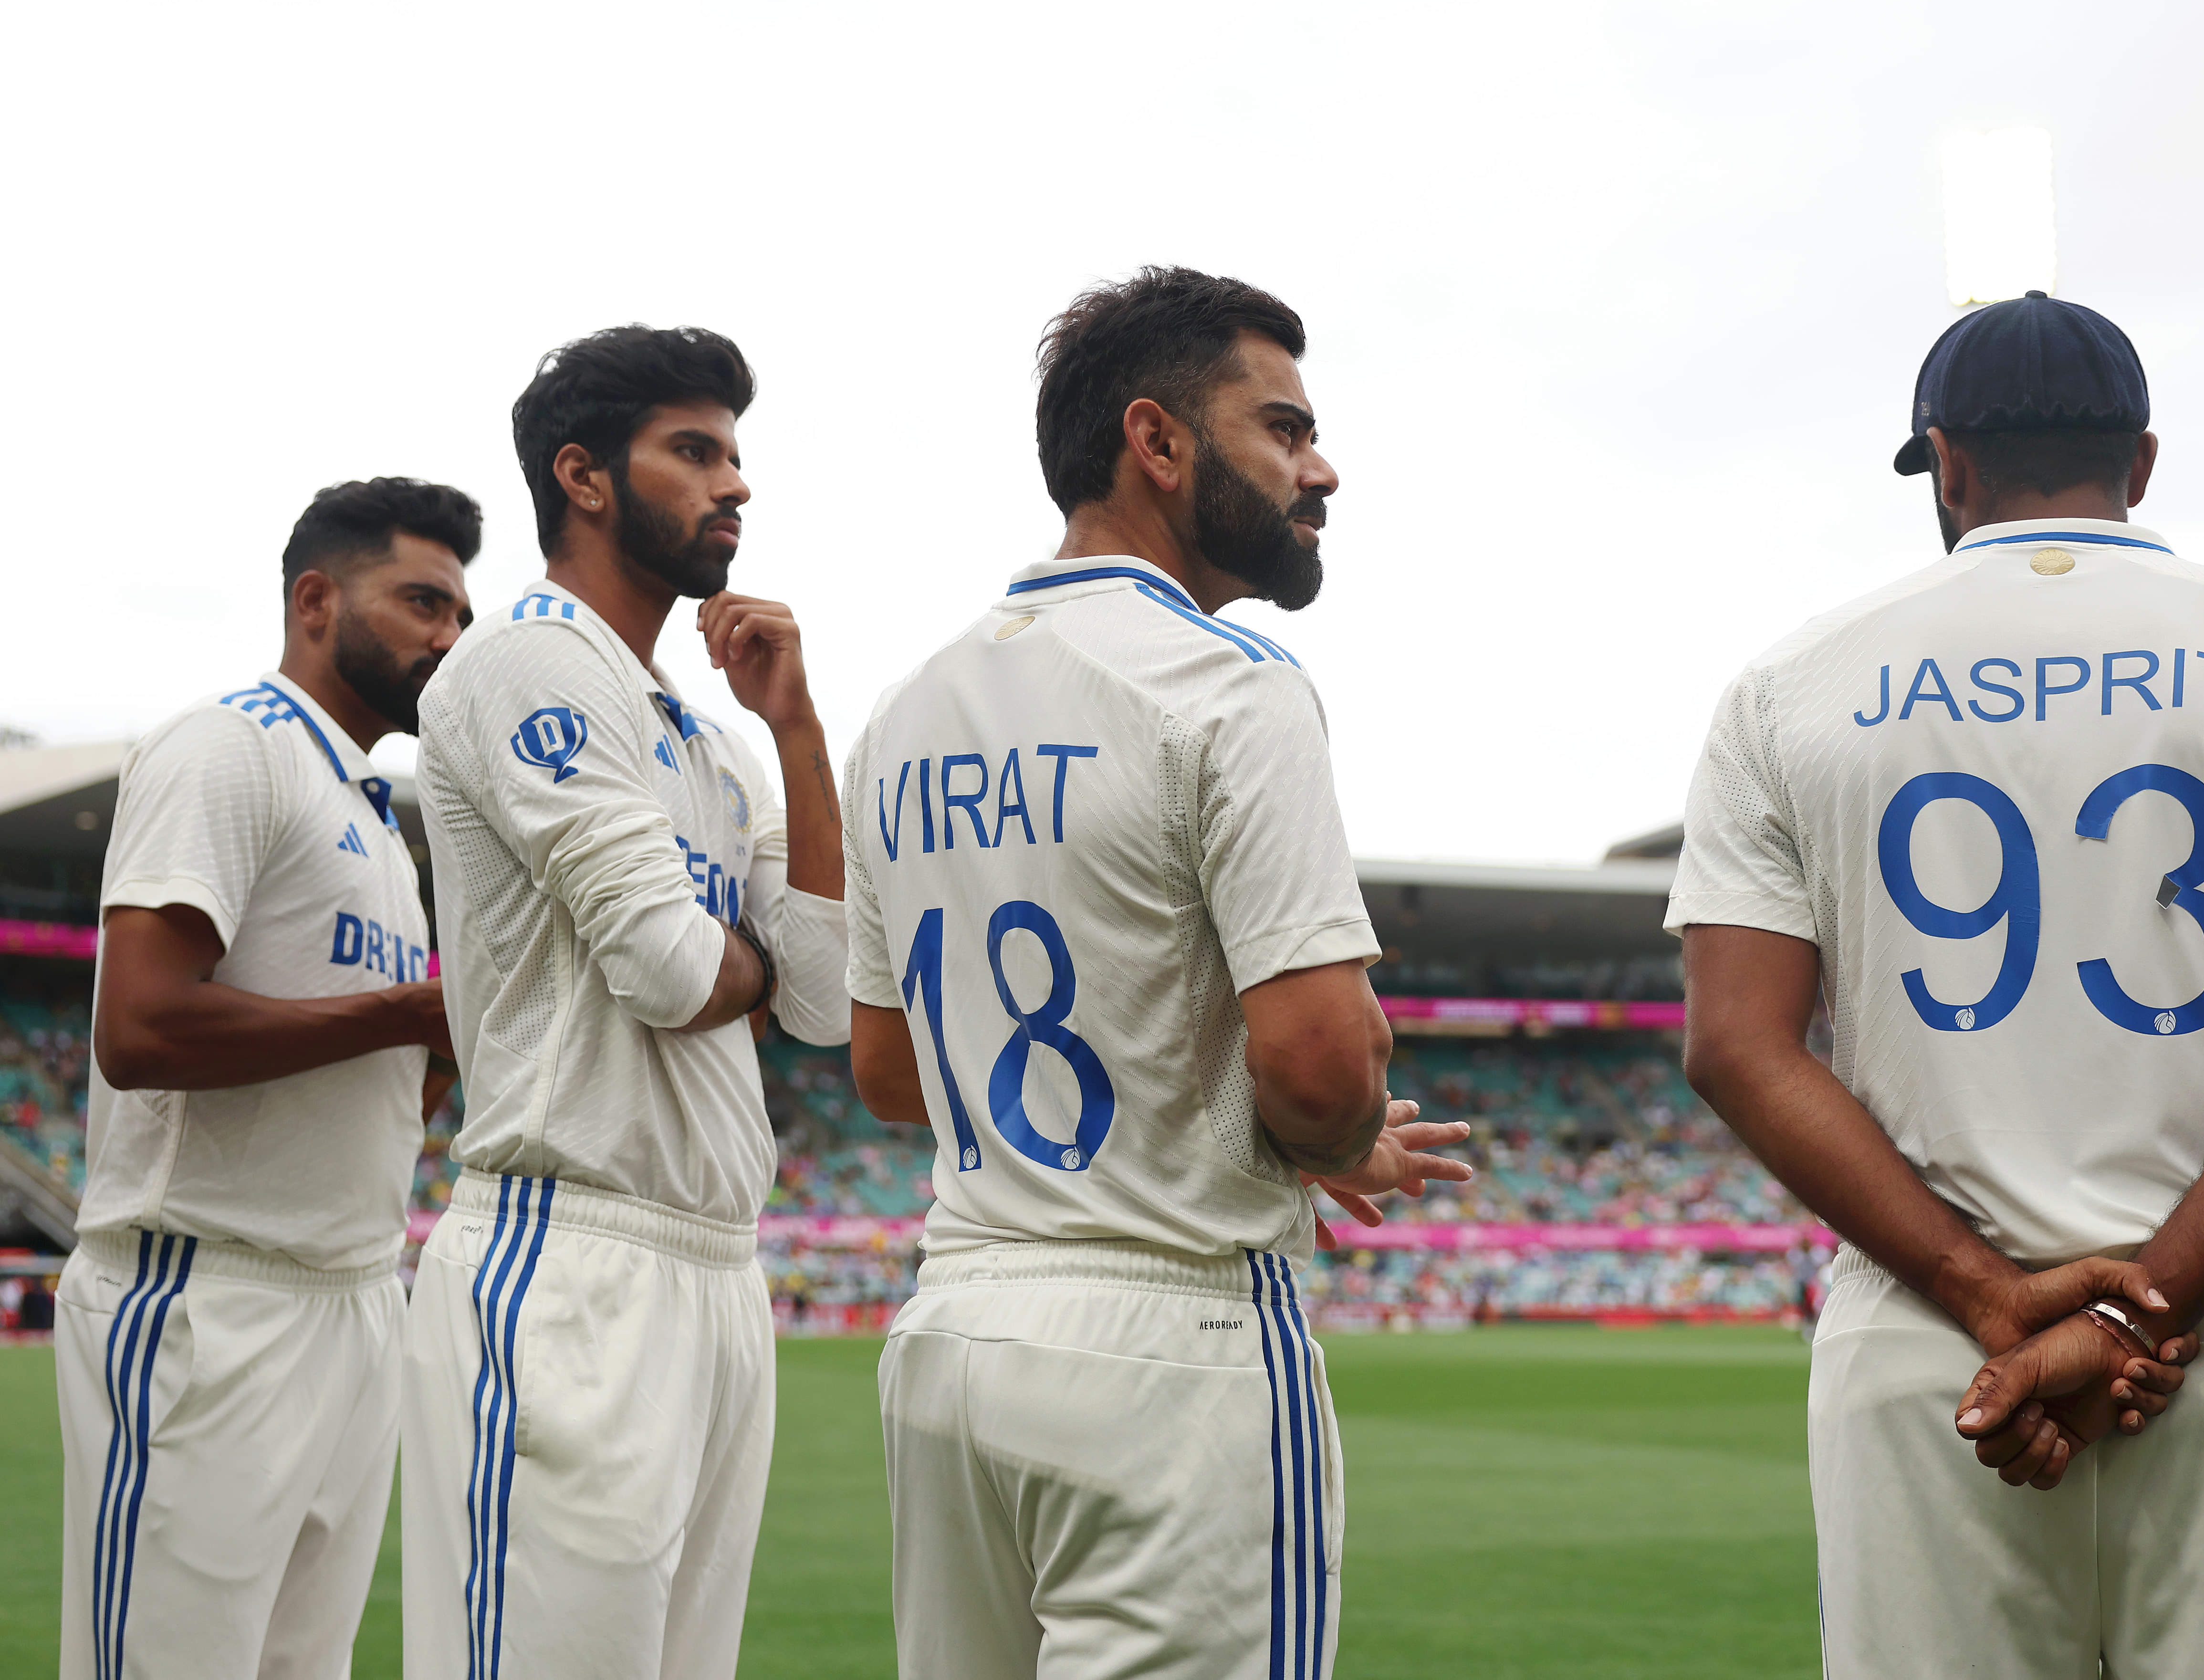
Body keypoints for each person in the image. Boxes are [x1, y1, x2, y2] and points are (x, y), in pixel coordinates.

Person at [1671, 290, 2204, 1677]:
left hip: (1930, 1334)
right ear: (2141, 462)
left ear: (1948, 464)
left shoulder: (1788, 687)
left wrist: (1993, 1301)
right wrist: (2139, 1308)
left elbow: (1738, 1043)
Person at [846, 266, 1470, 1680]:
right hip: (1168, 1335)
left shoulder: (907, 706)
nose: (1321, 469)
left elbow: (890, 1076)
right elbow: (1316, 1062)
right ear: (1158, 440)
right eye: (1284, 427)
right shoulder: (1225, 684)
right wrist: (1341, 1136)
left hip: (953, 1327)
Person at [405, 324, 851, 1680]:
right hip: (571, 1252)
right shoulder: (529, 661)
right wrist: (751, 962)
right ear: (584, 477)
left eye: (734, 452)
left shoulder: (711, 739)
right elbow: (672, 971)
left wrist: (796, 730)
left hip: (717, 1266)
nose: (736, 485)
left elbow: (827, 1000)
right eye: (696, 451)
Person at [64, 477, 478, 1679]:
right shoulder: (227, 744)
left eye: (460, 611)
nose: (448, 637)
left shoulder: (371, 813)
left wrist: (438, 1048)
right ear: (315, 600)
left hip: (353, 1292)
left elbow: (383, 1084)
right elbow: (137, 1027)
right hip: (207, 1291)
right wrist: (409, 1007)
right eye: (420, 600)